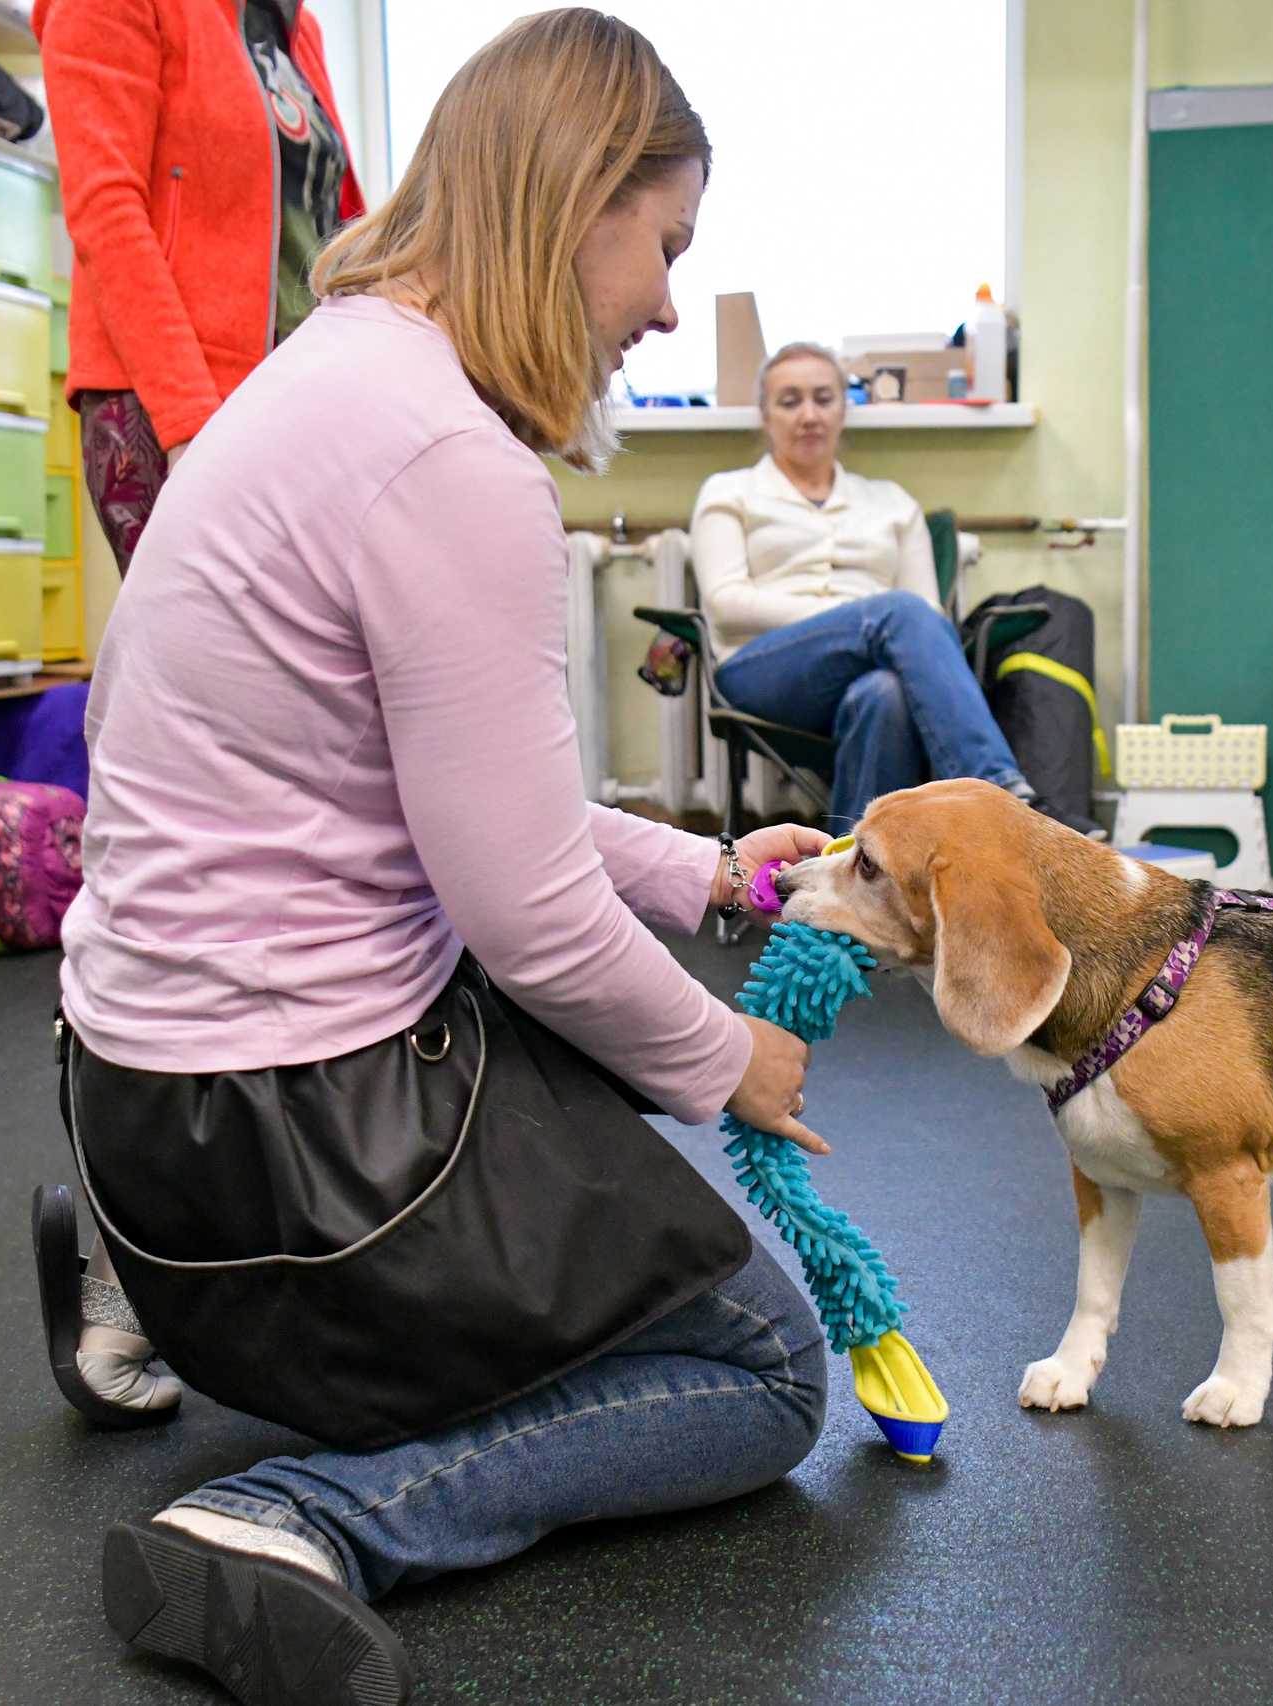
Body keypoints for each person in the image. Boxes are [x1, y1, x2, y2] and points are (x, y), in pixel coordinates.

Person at [48, 17, 835, 1699]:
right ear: (573, 205)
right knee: (764, 1365)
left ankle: (135, 1269)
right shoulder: (449, 461)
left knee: (565, 1046)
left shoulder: (326, 380)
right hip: (295, 1140)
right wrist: (730, 1060)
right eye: (666, 245)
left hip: (141, 1102)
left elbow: (452, 806)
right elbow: (530, 913)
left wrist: (700, 878)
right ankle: (298, 1521)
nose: (667, 306)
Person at [37, 0, 363, 569]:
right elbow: (105, 212)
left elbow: (337, 224)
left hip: (299, 404)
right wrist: (190, 423)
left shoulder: (294, 26)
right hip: (174, 404)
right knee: (219, 652)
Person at [690, 344, 1064, 835]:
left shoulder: (891, 502)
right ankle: (995, 796)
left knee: (883, 694)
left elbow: (929, 613)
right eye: (789, 401)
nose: (808, 415)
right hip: (761, 671)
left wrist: (875, 622)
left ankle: (849, 877)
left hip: (877, 664)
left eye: (823, 398)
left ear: (845, 409)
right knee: (897, 614)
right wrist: (861, 616)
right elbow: (726, 604)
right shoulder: (729, 491)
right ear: (764, 415)